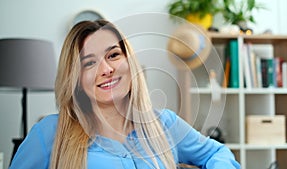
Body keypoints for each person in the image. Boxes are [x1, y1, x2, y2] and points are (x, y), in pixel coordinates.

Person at [9, 19, 240, 169]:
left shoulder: (164, 123)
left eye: (113, 55)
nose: (106, 70)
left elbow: (216, 153)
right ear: (76, 79)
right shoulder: (50, 133)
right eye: (89, 63)